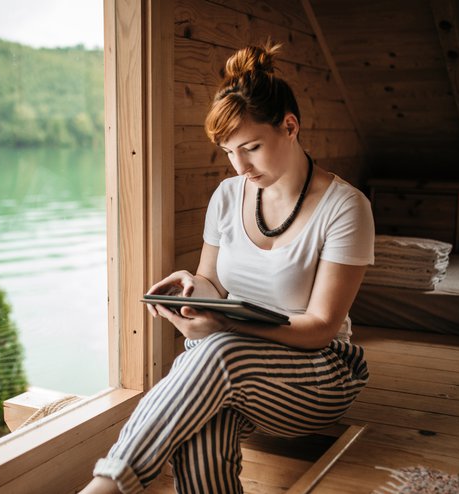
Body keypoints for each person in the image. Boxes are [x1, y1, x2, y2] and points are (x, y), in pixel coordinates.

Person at [81, 41, 374, 494]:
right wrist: (191, 290)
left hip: (319, 373)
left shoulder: (345, 207)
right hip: (235, 367)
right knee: (202, 434)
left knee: (217, 353)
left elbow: (319, 328)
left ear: (290, 126)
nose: (240, 165)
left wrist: (221, 329)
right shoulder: (226, 196)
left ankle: (108, 485)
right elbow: (213, 283)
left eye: (251, 147)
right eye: (228, 151)